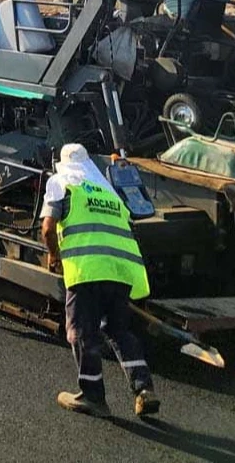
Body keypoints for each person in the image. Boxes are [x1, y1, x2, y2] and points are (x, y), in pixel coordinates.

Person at [41, 143, 158, 419]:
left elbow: (48, 227)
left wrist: (53, 255)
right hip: (120, 270)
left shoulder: (61, 183)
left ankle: (93, 397)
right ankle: (144, 388)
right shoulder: (108, 191)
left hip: (87, 271)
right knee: (119, 331)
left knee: (81, 332)